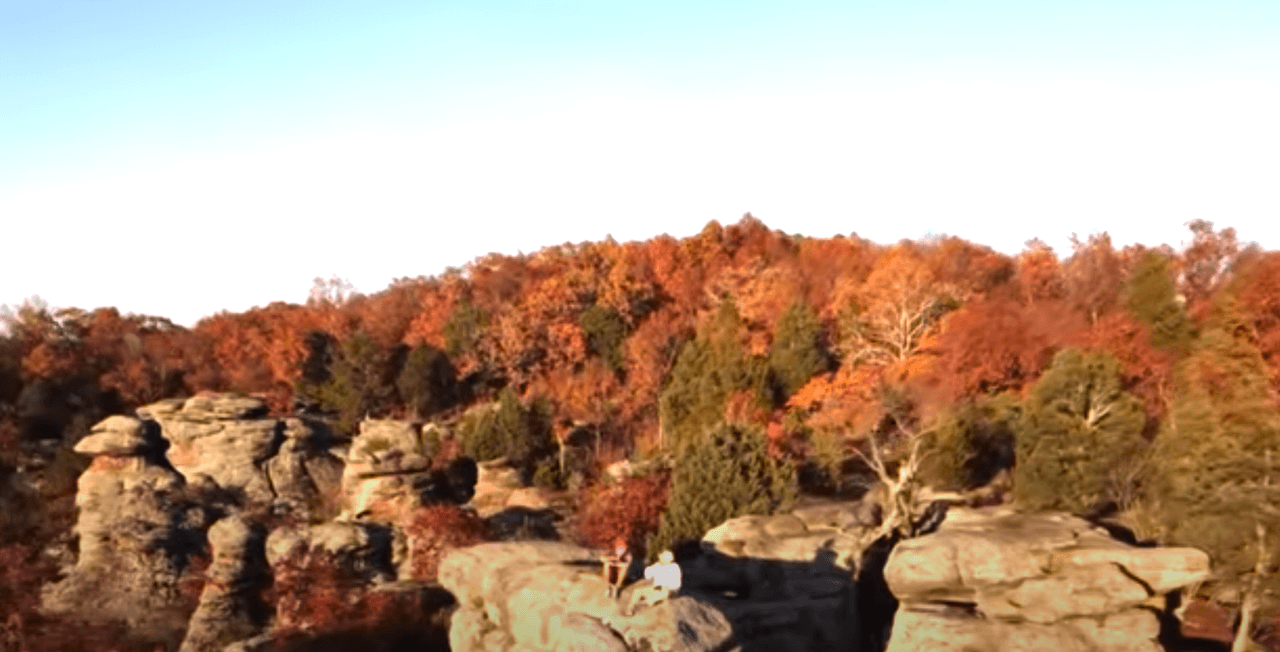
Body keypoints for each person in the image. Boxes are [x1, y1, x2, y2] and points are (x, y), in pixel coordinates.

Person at [626, 550, 682, 616]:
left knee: (663, 592)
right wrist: (653, 568)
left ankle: (646, 603)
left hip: (667, 590)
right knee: (637, 591)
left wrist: (667, 587)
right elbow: (648, 577)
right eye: (662, 557)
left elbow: (677, 584)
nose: (663, 559)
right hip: (654, 588)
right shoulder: (657, 566)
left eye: (666, 558)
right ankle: (630, 610)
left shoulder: (674, 567)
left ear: (670, 559)